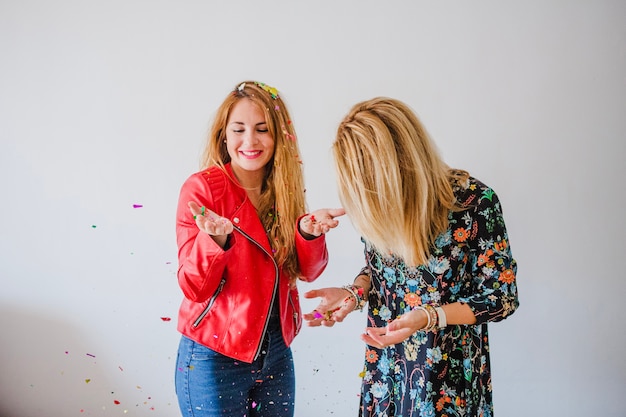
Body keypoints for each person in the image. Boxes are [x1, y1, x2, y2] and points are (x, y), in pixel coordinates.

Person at [303, 97, 519, 417]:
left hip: (447, 380)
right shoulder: (375, 202)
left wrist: (429, 317)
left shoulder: (474, 203)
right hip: (387, 373)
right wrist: (354, 293)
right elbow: (381, 272)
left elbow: (502, 298)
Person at [174, 80, 344, 417]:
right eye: (239, 129)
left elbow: (306, 272)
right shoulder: (203, 189)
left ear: (278, 135)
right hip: (214, 356)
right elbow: (194, 287)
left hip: (277, 353)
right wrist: (215, 241)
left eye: (262, 129)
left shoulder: (285, 189)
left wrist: (308, 234)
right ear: (224, 135)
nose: (250, 141)